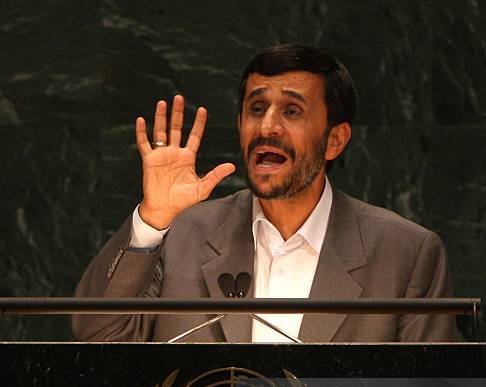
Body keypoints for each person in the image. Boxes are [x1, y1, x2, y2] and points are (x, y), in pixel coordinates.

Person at [72, 43, 458, 343]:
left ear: (335, 140)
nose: (267, 127)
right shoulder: (182, 235)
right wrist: (152, 221)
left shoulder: (406, 253)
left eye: (292, 111)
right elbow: (97, 336)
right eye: (257, 109)